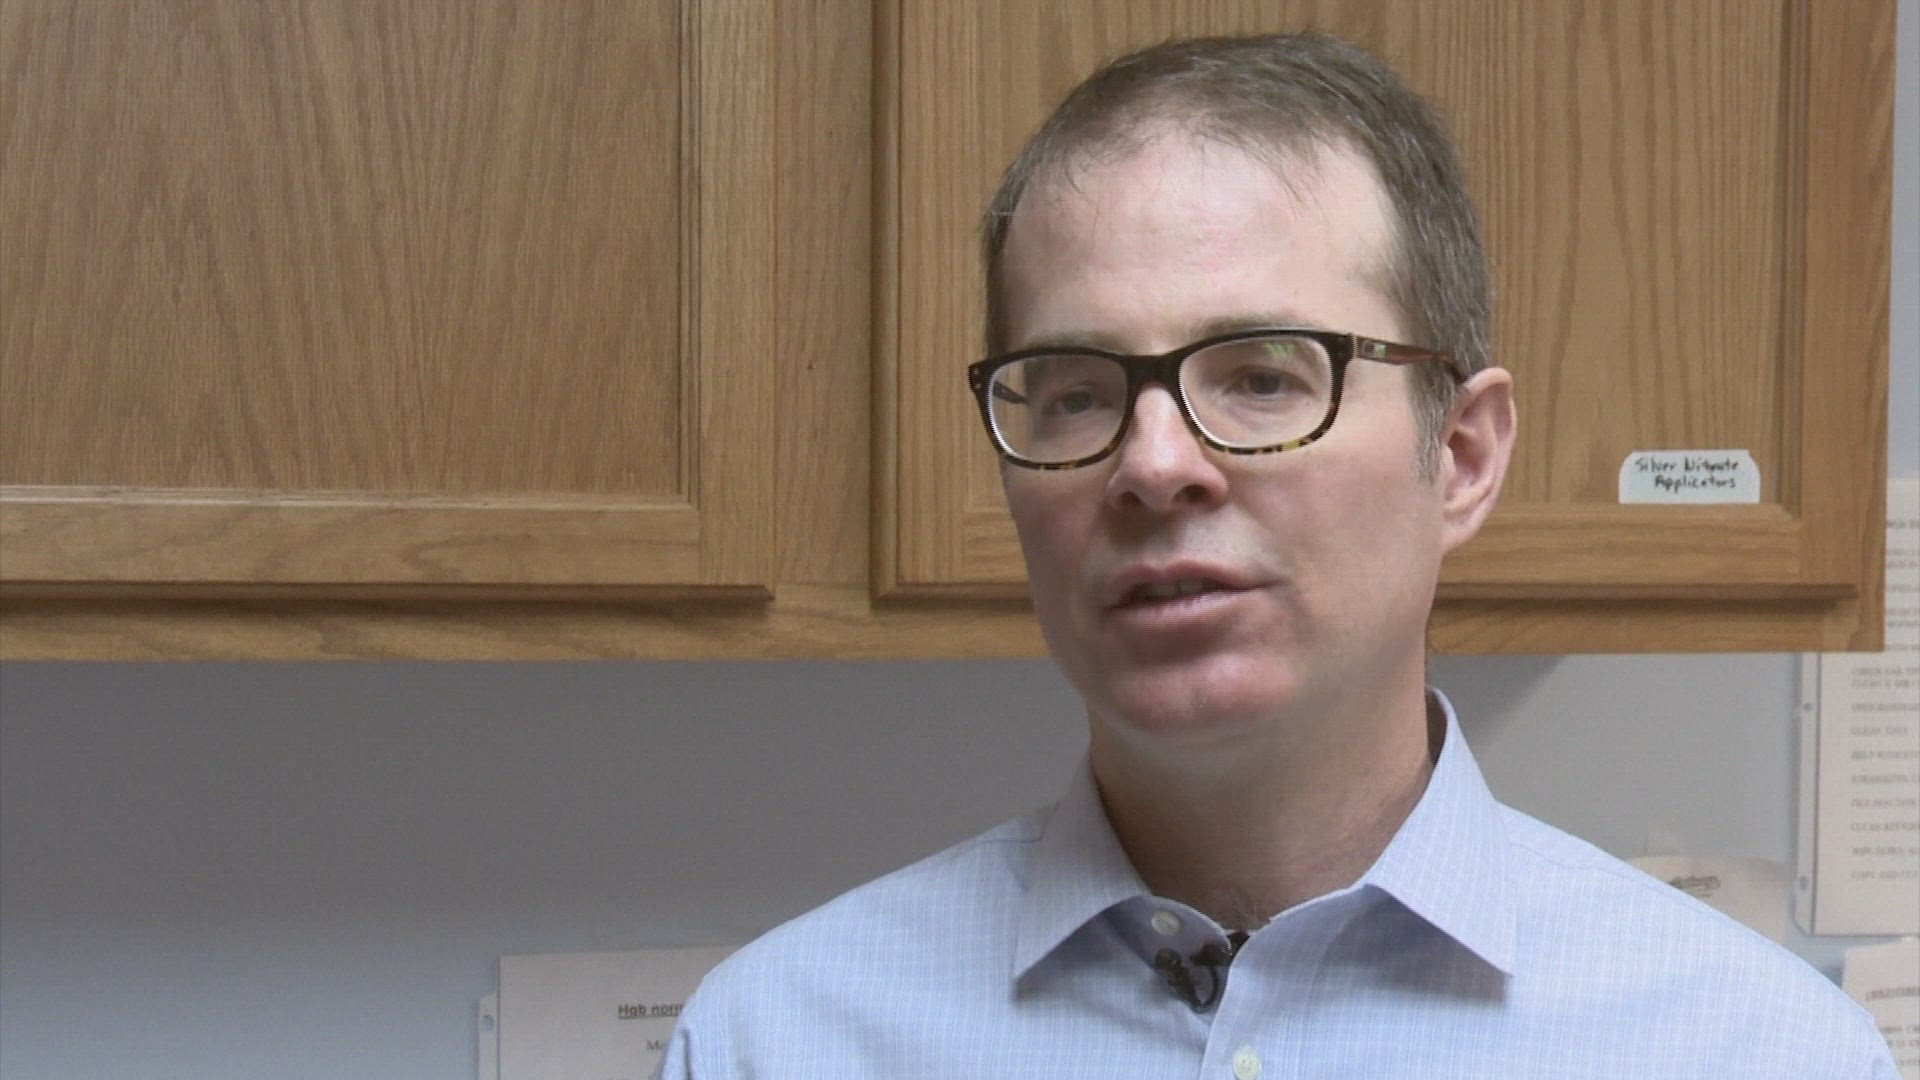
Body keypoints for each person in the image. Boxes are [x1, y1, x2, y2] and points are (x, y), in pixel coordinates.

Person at [658, 32, 1896, 1078]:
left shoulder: (1756, 1052)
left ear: (1462, 456)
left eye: (1260, 377)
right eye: (1077, 393)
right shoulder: (779, 1041)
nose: (1153, 464)